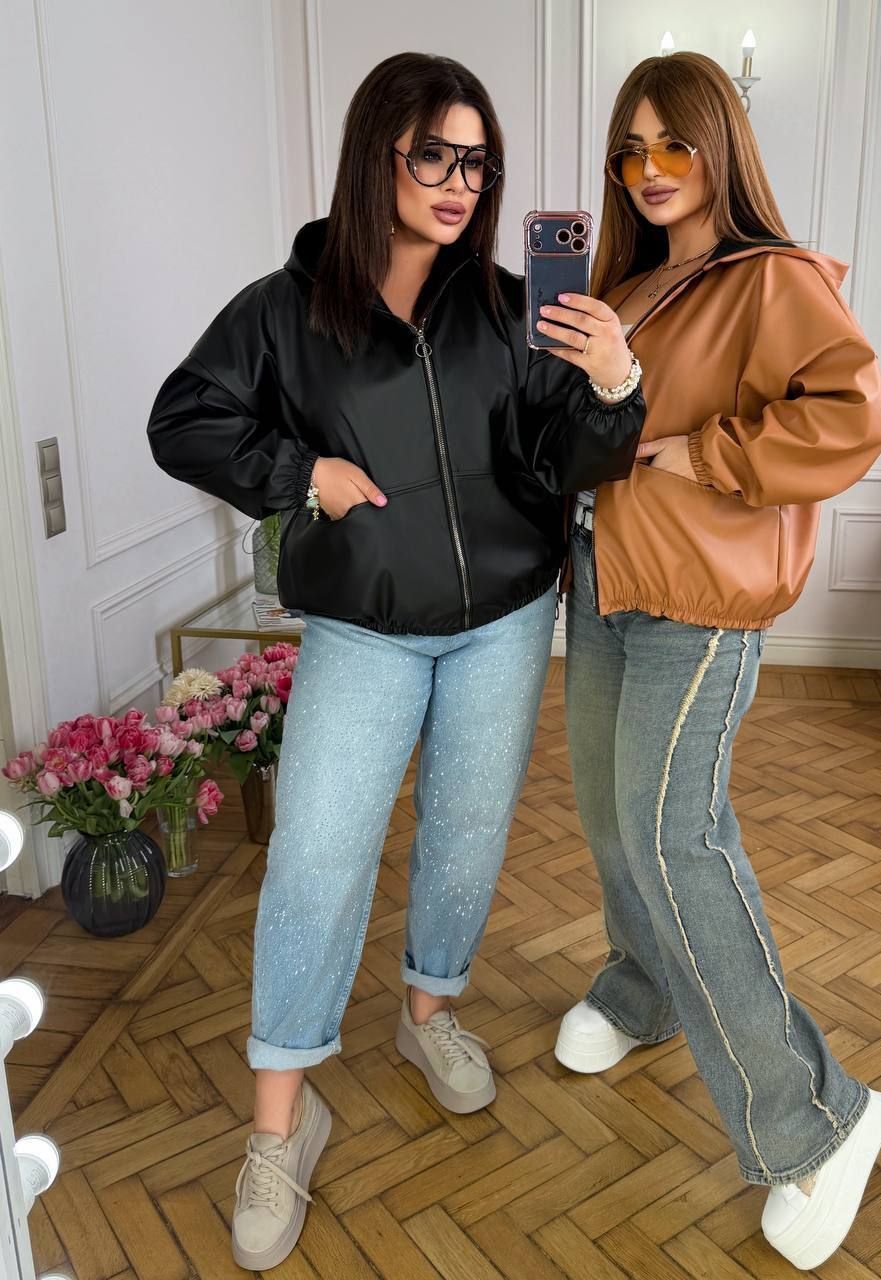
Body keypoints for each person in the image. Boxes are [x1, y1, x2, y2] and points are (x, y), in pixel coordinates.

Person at [147, 51, 643, 1273]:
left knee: (465, 835)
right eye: (435, 155)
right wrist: (299, 472)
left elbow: (569, 458)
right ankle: (281, 1120)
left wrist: (612, 385)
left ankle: (430, 1010)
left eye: (478, 161)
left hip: (506, 618)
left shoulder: (514, 306)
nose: (461, 182)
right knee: (316, 853)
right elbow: (184, 418)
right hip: (366, 625)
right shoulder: (287, 307)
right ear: (380, 155)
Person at [546, 51, 881, 1272]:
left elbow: (851, 415)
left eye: (672, 144)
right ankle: (641, 984)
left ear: (720, 146)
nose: (648, 169)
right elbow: (599, 431)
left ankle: (817, 1116)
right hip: (603, 580)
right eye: (629, 150)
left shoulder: (771, 278)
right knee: (610, 814)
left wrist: (708, 453)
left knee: (673, 833)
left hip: (701, 600)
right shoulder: (631, 284)